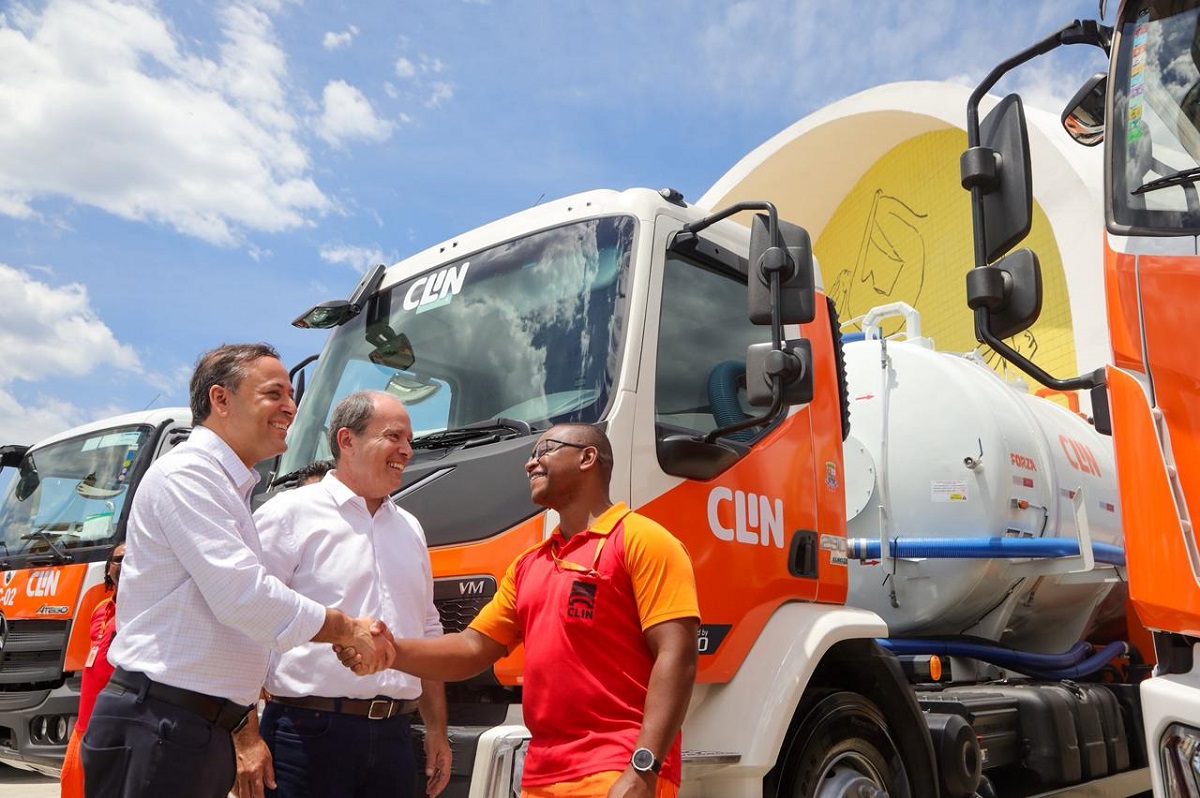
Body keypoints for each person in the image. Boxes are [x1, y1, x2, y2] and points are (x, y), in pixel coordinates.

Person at [81, 343, 395, 798]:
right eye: (274, 393)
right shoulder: (188, 474)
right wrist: (346, 629)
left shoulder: (227, 485)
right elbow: (244, 596)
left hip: (190, 727)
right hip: (162, 724)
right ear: (221, 399)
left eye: (292, 394)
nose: (291, 407)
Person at [340, 423, 700, 798]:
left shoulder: (645, 541)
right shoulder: (529, 564)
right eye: (530, 455)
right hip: (541, 776)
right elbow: (472, 648)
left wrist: (643, 768)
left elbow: (678, 656)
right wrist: (390, 649)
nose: (530, 464)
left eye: (545, 450)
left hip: (617, 770)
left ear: (587, 458)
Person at [234, 391, 451, 798]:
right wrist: (245, 738)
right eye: (394, 437)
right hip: (306, 737)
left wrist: (437, 730)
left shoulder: (410, 528)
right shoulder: (288, 514)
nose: (407, 450)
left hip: (395, 737)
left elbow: (427, 630)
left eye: (409, 440)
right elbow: (243, 622)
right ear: (347, 440)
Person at [60, 543, 125, 798]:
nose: (124, 564)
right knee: (70, 786)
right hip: (83, 725)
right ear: (108, 568)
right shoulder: (100, 610)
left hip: (113, 728)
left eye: (131, 559)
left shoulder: (140, 613)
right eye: (118, 559)